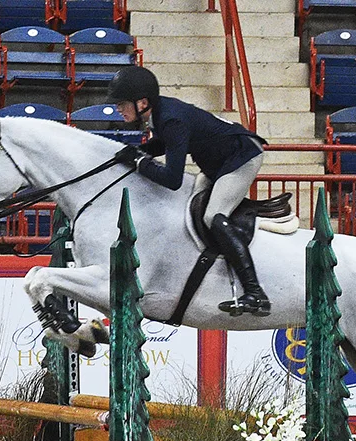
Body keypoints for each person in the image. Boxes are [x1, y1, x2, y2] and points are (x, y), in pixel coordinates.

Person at [107, 66, 271, 317]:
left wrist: (139, 162)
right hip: (217, 162)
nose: (118, 108)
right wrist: (136, 152)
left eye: (121, 103)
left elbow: (172, 179)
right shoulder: (160, 114)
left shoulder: (170, 119)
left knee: (212, 216)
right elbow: (163, 144)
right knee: (188, 205)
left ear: (142, 102)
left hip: (242, 156)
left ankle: (255, 293)